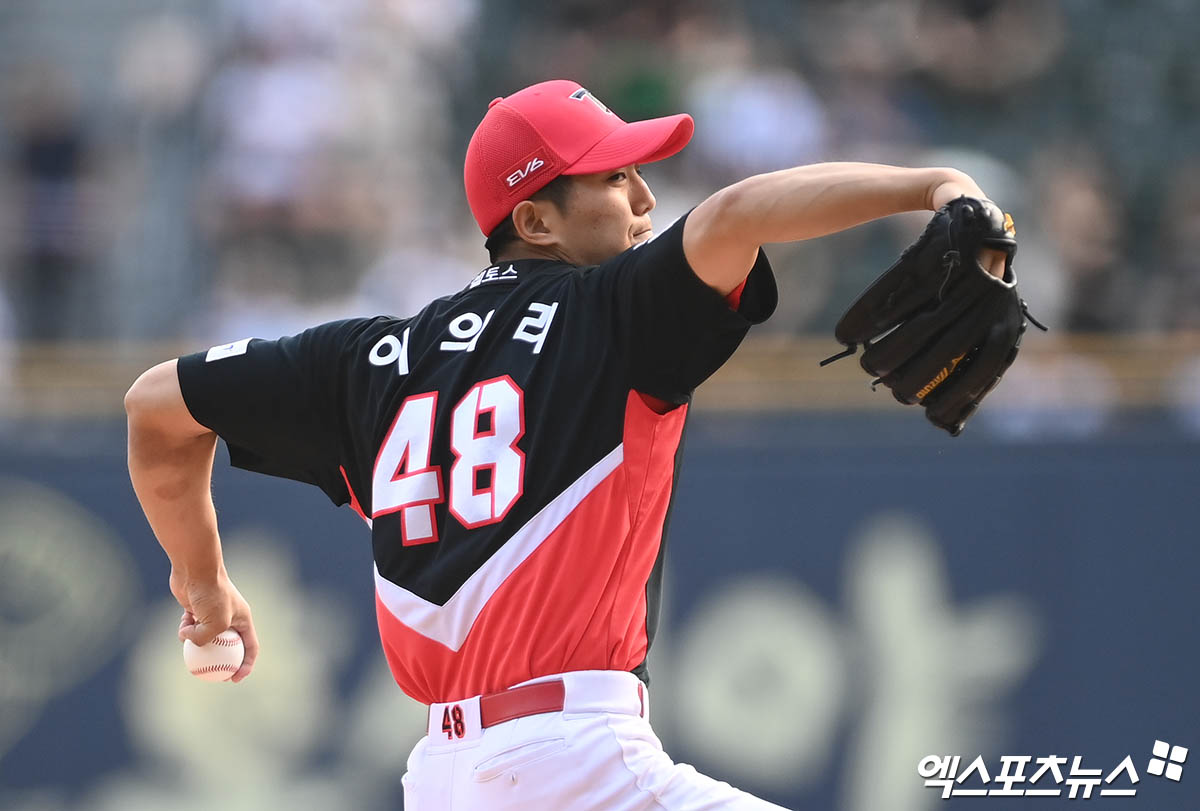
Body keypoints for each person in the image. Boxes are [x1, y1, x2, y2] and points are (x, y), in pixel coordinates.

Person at [125, 79, 1007, 809]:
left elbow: (157, 406)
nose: (646, 200)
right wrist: (935, 183)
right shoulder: (610, 310)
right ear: (539, 221)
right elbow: (736, 214)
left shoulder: (365, 360)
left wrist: (203, 582)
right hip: (574, 761)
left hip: (443, 776)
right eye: (618, 177)